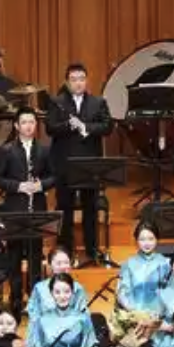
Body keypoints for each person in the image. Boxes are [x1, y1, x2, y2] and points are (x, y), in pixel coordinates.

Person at [47, 63, 112, 261]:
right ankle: (65, 249)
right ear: (67, 82)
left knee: (90, 208)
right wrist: (69, 125)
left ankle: (92, 249)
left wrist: (86, 127)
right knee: (64, 207)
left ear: (86, 81)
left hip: (89, 165)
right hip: (64, 164)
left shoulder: (98, 102)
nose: (78, 83)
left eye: (81, 79)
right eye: (74, 79)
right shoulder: (57, 102)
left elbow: (107, 126)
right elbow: (50, 128)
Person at [118, 223, 170, 321]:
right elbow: (122, 292)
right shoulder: (128, 263)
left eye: (151, 239)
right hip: (134, 316)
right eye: (142, 239)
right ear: (136, 241)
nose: (147, 243)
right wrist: (135, 313)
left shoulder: (165, 263)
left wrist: (158, 314)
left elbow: (169, 292)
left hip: (157, 317)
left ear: (157, 239)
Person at [24, 248, 90, 318]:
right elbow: (33, 313)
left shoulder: (78, 288)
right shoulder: (39, 288)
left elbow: (84, 315)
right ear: (50, 265)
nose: (63, 267)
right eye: (58, 263)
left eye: (66, 263)